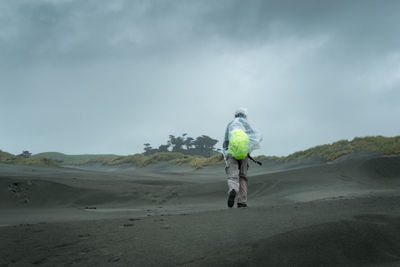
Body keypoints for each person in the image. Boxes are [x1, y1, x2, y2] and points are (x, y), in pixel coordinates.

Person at [222, 108, 262, 208]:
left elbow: (226, 141)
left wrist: (225, 153)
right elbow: (255, 138)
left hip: (232, 152)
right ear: (245, 116)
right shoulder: (247, 124)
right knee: (243, 177)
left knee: (232, 176)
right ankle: (242, 202)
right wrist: (248, 150)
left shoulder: (231, 124)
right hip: (244, 154)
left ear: (235, 115)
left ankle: (233, 190)